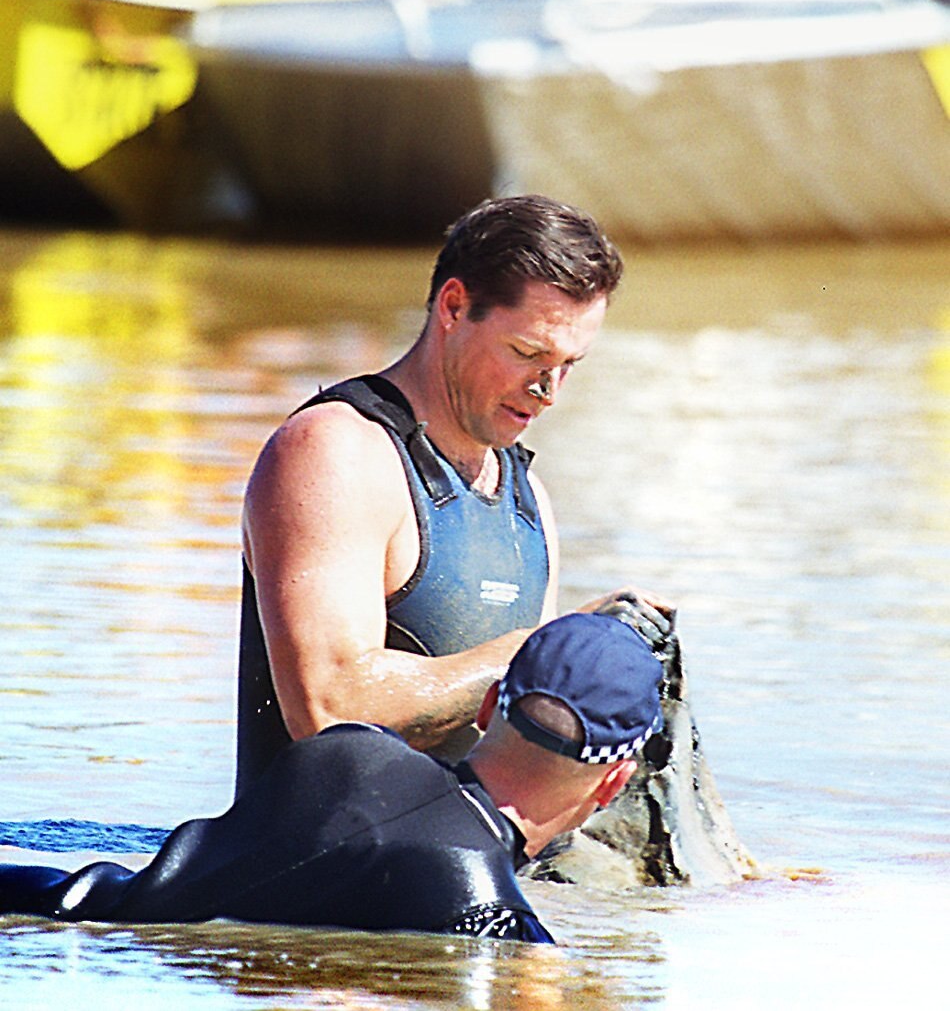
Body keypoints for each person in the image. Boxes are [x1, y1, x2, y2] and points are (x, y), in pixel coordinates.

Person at [236, 193, 674, 799]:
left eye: (570, 363)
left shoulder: (529, 498)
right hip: (318, 871)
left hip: (462, 867)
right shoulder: (334, 453)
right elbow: (329, 708)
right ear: (454, 306)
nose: (548, 390)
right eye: (528, 354)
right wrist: (545, 654)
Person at [0, 612, 664, 941]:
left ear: (490, 705)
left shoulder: (348, 749)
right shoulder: (491, 918)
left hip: (51, 904)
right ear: (613, 783)